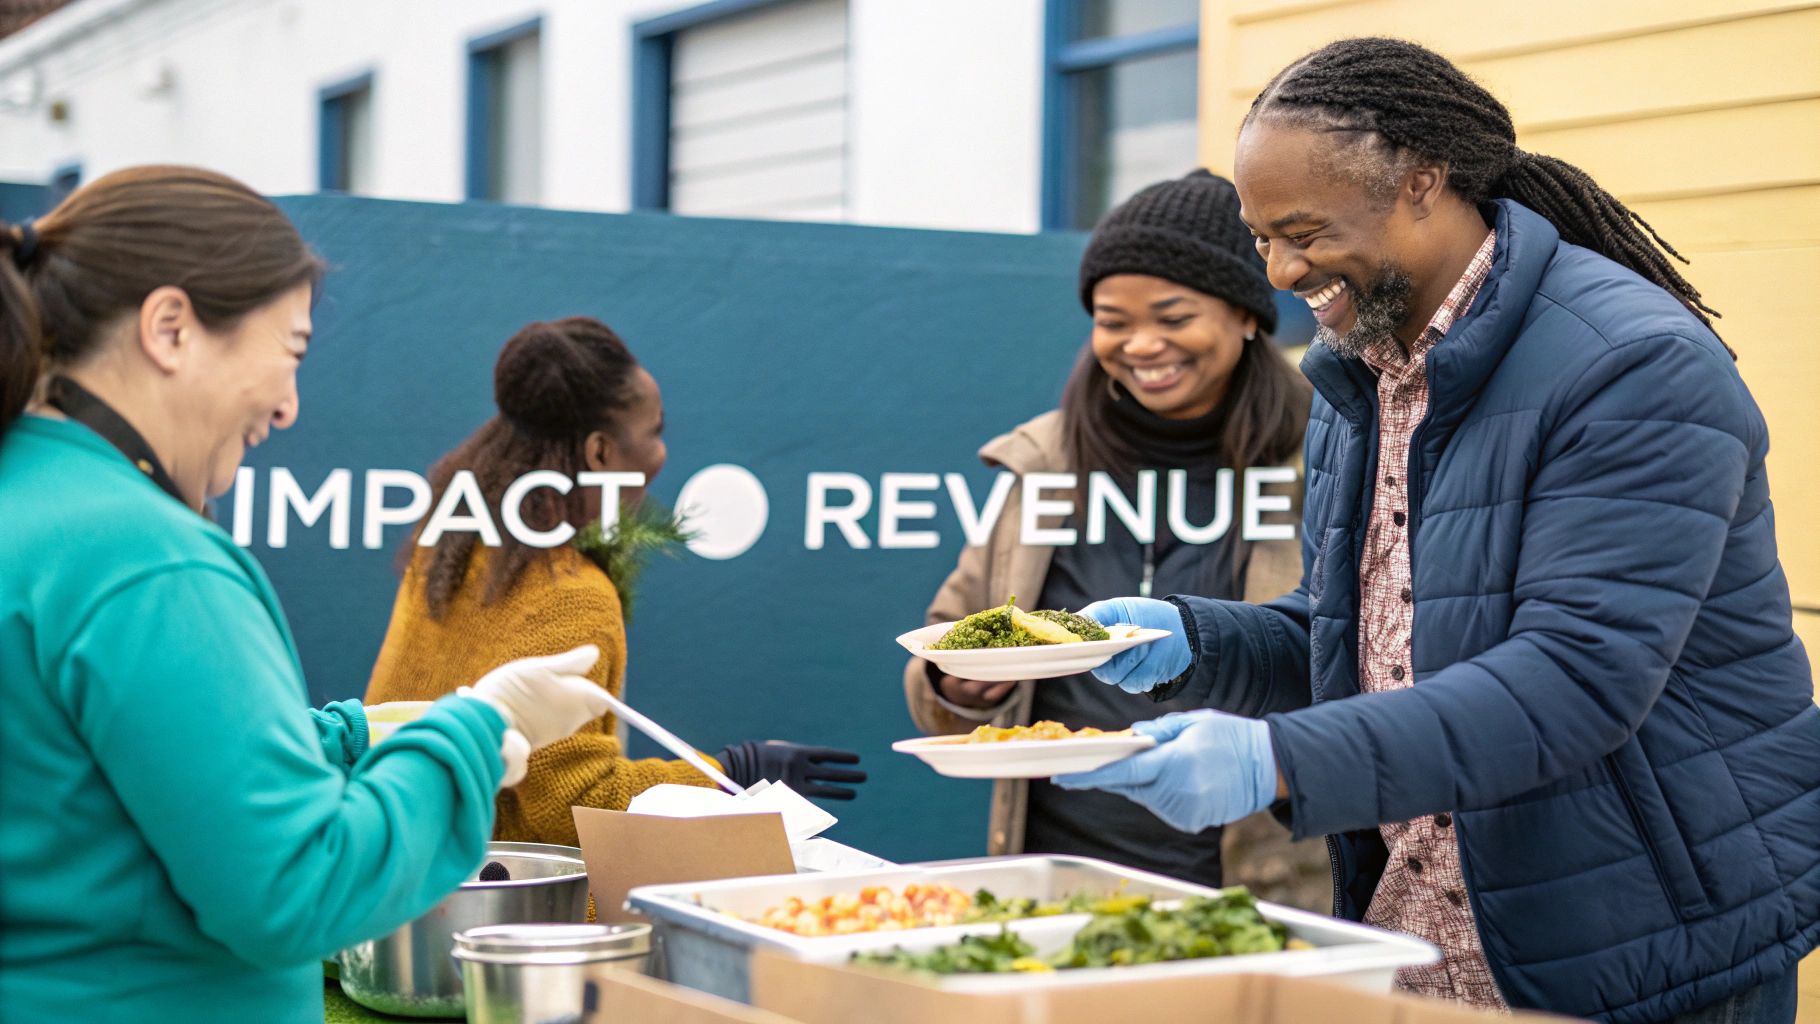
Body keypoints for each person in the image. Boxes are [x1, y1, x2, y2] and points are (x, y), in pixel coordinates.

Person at [1053, 38, 1819, 1024]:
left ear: (1422, 182)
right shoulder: (1357, 369)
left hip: (1636, 951)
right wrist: (1185, 642)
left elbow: (1575, 678)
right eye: (1260, 241)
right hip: (1419, 936)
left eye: (1304, 231)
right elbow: (1363, 641)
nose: (1283, 272)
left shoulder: (1632, 366)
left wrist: (1276, 761)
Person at [0, 167, 611, 1024]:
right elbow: (298, 888)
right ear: (170, 328)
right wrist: (476, 738)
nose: (288, 408)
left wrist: (376, 733)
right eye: (288, 351)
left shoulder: (25, 494)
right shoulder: (147, 561)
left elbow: (120, 787)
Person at [904, 170, 1328, 902]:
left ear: (1248, 315)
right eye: (1113, 319)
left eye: (1172, 316)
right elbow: (949, 638)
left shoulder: (1329, 454)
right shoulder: (1043, 460)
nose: (1142, 345)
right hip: (1062, 870)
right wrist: (959, 682)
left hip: (1259, 877)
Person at [366, 316, 865, 847]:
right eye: (656, 431)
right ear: (601, 452)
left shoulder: (458, 544)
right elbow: (573, 804)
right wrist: (731, 774)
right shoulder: (570, 591)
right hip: (503, 904)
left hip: (404, 872)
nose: (662, 453)